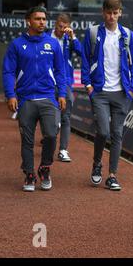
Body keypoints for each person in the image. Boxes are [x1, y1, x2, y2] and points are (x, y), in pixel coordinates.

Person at [2, 6, 66, 192]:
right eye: (37, 18)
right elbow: (8, 71)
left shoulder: (53, 44)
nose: (42, 22)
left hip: (48, 98)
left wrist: (61, 93)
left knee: (51, 135)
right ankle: (29, 174)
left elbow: (60, 71)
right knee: (27, 141)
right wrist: (10, 94)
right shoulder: (16, 45)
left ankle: (45, 168)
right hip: (26, 99)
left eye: (44, 19)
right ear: (28, 21)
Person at [81, 0, 133, 191]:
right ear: (103, 12)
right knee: (103, 131)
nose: (112, 16)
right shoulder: (92, 33)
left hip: (122, 92)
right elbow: (85, 59)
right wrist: (88, 85)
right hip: (100, 91)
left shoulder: (128, 35)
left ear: (120, 13)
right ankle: (97, 163)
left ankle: (112, 175)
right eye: (109, 12)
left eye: (115, 13)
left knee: (117, 133)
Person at [47, 13, 82, 162]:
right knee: (49, 119)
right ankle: (48, 143)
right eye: (60, 27)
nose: (62, 30)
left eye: (65, 27)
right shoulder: (47, 38)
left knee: (66, 117)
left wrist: (73, 37)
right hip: (48, 81)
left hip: (66, 82)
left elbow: (81, 53)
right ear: (55, 24)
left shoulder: (69, 39)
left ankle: (63, 150)